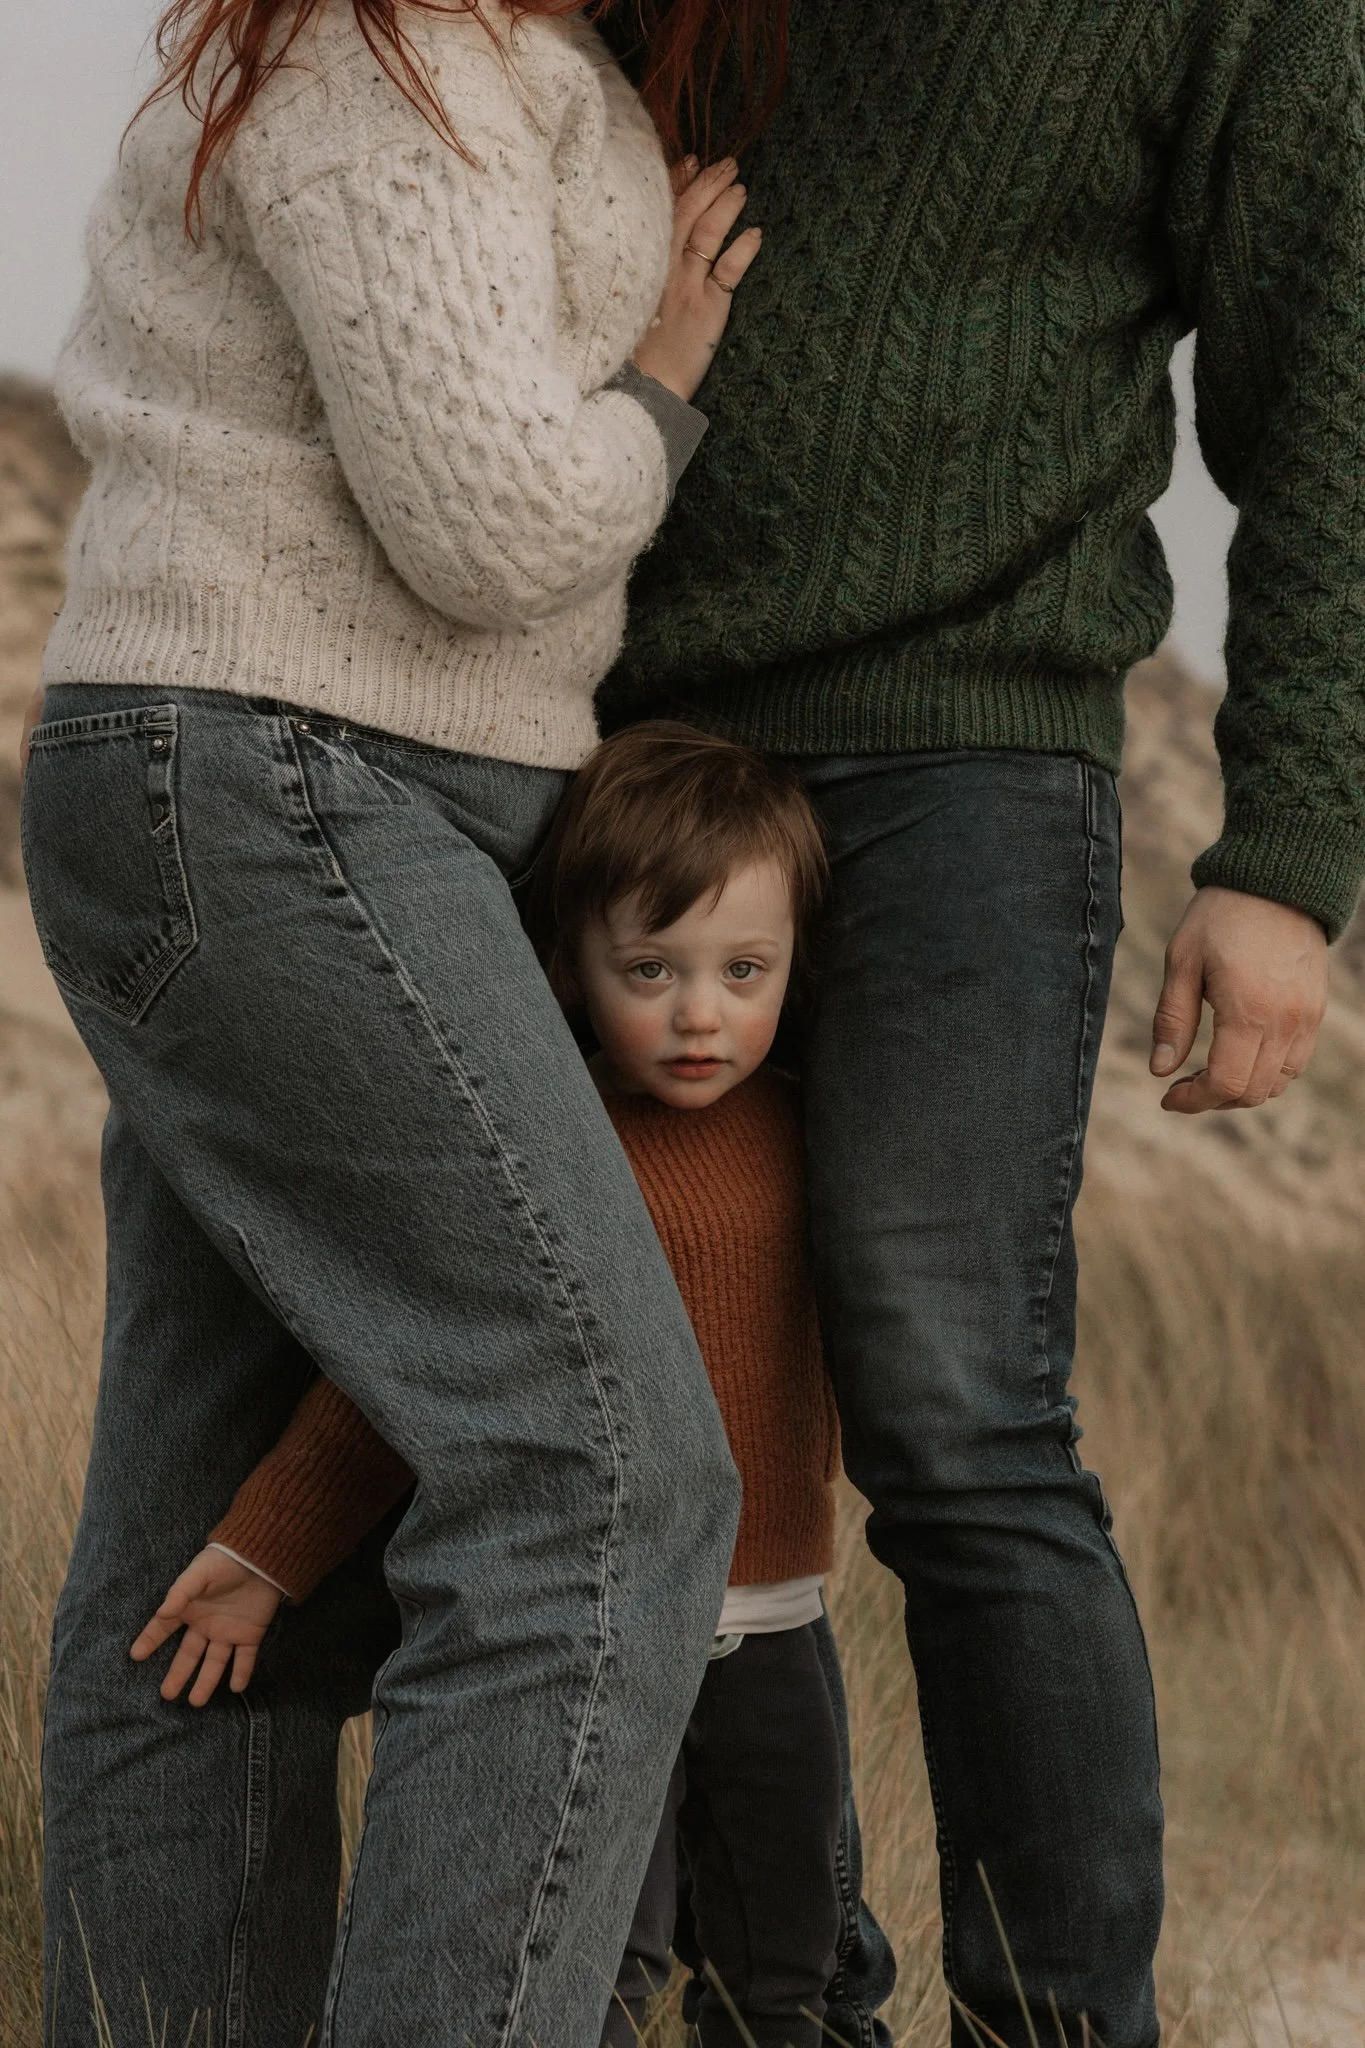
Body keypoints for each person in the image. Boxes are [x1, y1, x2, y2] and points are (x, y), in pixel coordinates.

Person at [590, 3, 1365, 2044]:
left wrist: (1281, 851)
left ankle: (1050, 2027)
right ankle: (774, 1997)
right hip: (620, 740)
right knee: (630, 1411)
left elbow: (1329, 406)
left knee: (951, 1412)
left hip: (971, 746)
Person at [18, 3, 780, 2042]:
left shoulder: (518, 54)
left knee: (204, 1549)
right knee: (599, 1473)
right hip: (287, 778)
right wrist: (669, 380)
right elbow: (495, 522)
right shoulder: (381, 50)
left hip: (320, 789)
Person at [128, 723, 878, 2048]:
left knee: (787, 1975)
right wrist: (268, 1544)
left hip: (775, 1631)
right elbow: (416, 1368)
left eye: (742, 971)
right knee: (599, 1964)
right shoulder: (548, 1157)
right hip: (605, 1633)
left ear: (794, 966)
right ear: (576, 969)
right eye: (651, 969)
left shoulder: (825, 1134)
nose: (701, 1013)